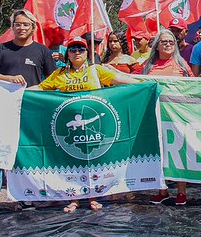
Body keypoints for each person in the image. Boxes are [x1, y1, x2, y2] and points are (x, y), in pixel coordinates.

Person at [36, 36, 137, 212]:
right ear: (67, 53)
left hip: (93, 127)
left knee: (94, 159)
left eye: (80, 49)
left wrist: (148, 83)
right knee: (72, 160)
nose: (76, 52)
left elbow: (120, 80)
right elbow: (41, 88)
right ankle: (74, 198)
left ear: (87, 53)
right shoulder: (60, 74)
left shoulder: (95, 70)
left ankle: (93, 197)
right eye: (72, 49)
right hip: (69, 126)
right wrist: (15, 92)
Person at [0, 9, 56, 215]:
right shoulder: (1, 49)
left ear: (33, 27)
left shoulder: (42, 51)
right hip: (3, 108)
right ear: (12, 27)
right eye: (17, 24)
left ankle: (25, 195)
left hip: (30, 110)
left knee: (25, 152)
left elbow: (51, 80)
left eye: (25, 24)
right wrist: (9, 79)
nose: (21, 28)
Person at [141, 30, 193, 205]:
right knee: (160, 152)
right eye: (164, 42)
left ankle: (181, 191)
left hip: (178, 115)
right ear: (157, 46)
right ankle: (162, 190)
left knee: (178, 151)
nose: (168, 44)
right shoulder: (148, 67)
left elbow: (193, 86)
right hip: (156, 115)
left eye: (171, 41)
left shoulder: (182, 65)